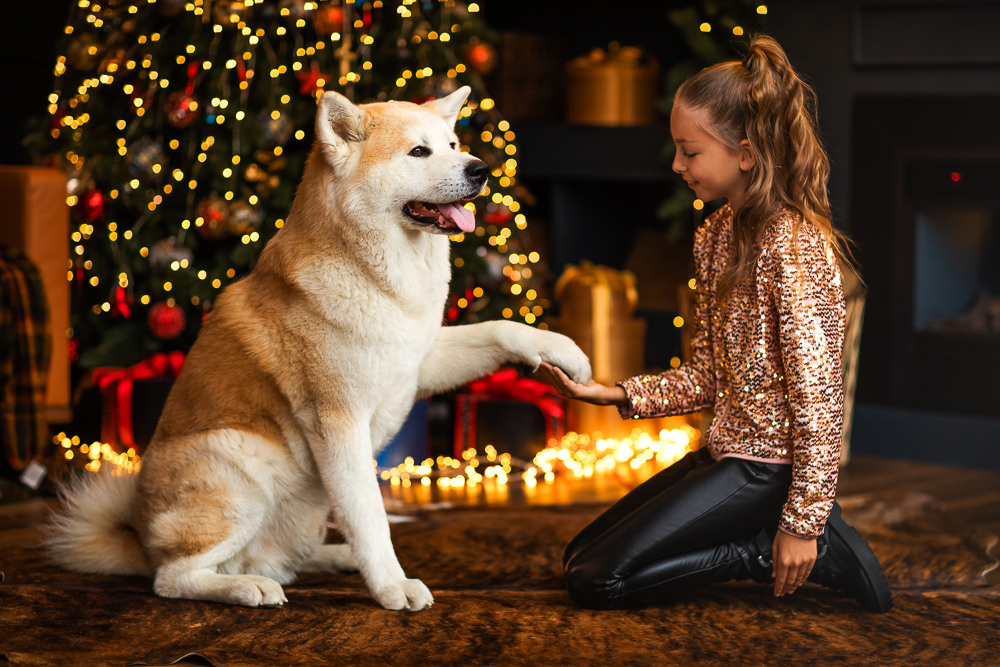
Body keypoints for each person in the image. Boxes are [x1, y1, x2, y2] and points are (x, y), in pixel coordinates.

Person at [534, 35, 893, 612]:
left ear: (746, 153)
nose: (677, 165)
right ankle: (758, 532)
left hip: (768, 470)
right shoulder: (715, 235)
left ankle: (784, 550)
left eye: (689, 151)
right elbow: (707, 374)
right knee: (580, 555)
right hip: (725, 452)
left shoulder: (796, 248)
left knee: (596, 581)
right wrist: (617, 392)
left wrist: (803, 521)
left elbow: (821, 400)